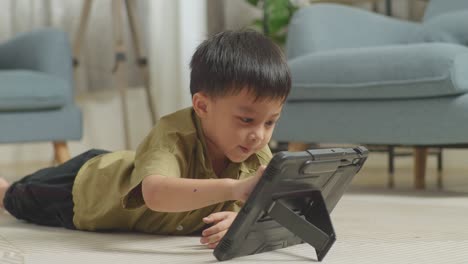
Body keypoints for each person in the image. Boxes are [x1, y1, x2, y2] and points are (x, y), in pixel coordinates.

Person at [0, 30, 291, 249]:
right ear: (202, 106)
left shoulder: (254, 146)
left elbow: (275, 205)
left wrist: (243, 222)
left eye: (270, 122)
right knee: (14, 197)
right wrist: (235, 189)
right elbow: (155, 194)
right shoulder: (174, 133)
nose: (259, 135)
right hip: (85, 188)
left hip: (126, 165)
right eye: (246, 120)